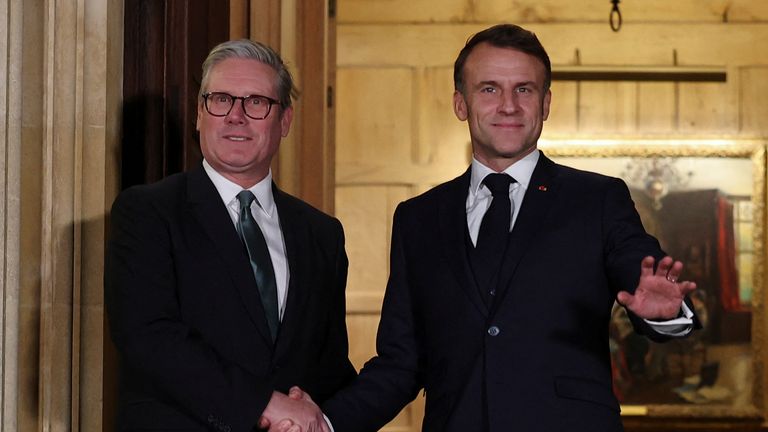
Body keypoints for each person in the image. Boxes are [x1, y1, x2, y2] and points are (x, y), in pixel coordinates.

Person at [303, 23, 699, 432]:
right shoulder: (418, 217)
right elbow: (401, 362)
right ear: (461, 103)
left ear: (545, 104)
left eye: (524, 90)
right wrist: (325, 422)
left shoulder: (598, 199)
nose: (508, 105)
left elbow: (643, 270)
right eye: (489, 89)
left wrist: (665, 314)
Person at [105, 39, 354, 432]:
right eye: (220, 99)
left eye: (256, 102)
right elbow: (149, 337)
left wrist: (324, 419)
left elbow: (330, 367)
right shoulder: (148, 212)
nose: (236, 116)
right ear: (199, 114)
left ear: (284, 121)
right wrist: (264, 405)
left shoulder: (321, 234)